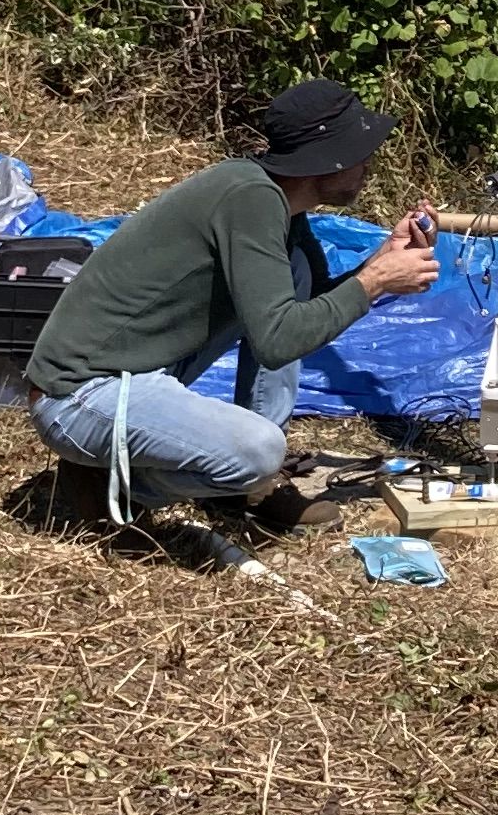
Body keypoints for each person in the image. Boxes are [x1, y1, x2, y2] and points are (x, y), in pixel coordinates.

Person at [24, 77, 439, 524]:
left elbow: (305, 311)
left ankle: (244, 489)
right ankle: (116, 485)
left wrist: (378, 261)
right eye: (360, 153)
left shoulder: (275, 200)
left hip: (136, 371)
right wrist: (375, 282)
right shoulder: (251, 198)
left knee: (295, 269)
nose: (368, 165)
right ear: (328, 160)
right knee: (258, 450)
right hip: (76, 397)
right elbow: (281, 338)